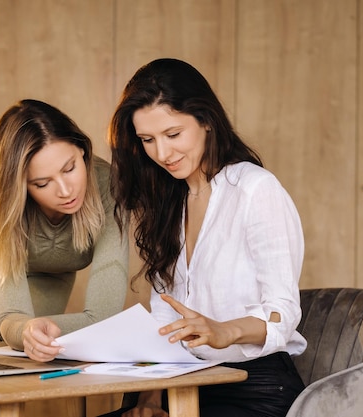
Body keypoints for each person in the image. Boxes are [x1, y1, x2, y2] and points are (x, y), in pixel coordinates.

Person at [102, 58, 307, 417]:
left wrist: (224, 331)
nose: (162, 154)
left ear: (206, 121)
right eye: (147, 140)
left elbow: (282, 311)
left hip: (253, 387)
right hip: (181, 382)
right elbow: (164, 319)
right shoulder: (168, 202)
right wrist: (149, 399)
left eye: (173, 134)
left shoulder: (255, 190)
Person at [0, 99, 129, 417]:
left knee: (7, 371)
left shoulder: (110, 187)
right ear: (19, 185)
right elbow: (14, 315)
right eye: (42, 183)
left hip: (50, 270)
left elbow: (102, 317)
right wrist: (6, 324)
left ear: (83, 151)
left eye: (70, 168)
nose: (65, 190)